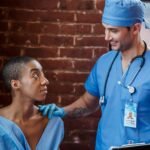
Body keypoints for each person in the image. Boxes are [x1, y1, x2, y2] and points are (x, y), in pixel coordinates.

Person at [39, 0, 150, 149]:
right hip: (105, 146)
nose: (107, 37)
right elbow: (87, 103)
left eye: (113, 30)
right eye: (105, 29)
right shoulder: (104, 63)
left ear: (135, 28)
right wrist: (62, 111)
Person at [0, 56, 64, 150]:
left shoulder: (53, 122)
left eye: (43, 75)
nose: (45, 81)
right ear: (15, 84)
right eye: (35, 76)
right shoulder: (1, 125)